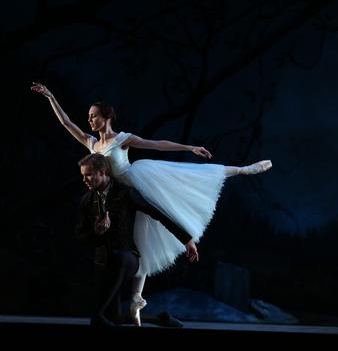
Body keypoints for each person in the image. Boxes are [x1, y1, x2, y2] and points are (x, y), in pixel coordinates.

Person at [31, 82, 272, 325]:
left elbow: (157, 144)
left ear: (106, 117)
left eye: (94, 116)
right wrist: (51, 96)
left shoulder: (122, 139)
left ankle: (242, 170)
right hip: (116, 198)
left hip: (137, 185)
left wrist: (189, 147)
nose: (90, 120)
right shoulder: (92, 144)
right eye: (89, 117)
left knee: (182, 185)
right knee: (139, 244)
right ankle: (136, 303)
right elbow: (66, 123)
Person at [76, 153, 198, 326]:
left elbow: (158, 214)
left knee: (119, 262)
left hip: (127, 256)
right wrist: (96, 232)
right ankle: (161, 319)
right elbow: (80, 235)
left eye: (88, 175)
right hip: (103, 262)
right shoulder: (87, 201)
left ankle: (97, 315)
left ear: (102, 172)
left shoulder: (125, 193)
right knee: (115, 318)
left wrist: (187, 239)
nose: (85, 179)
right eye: (83, 175)